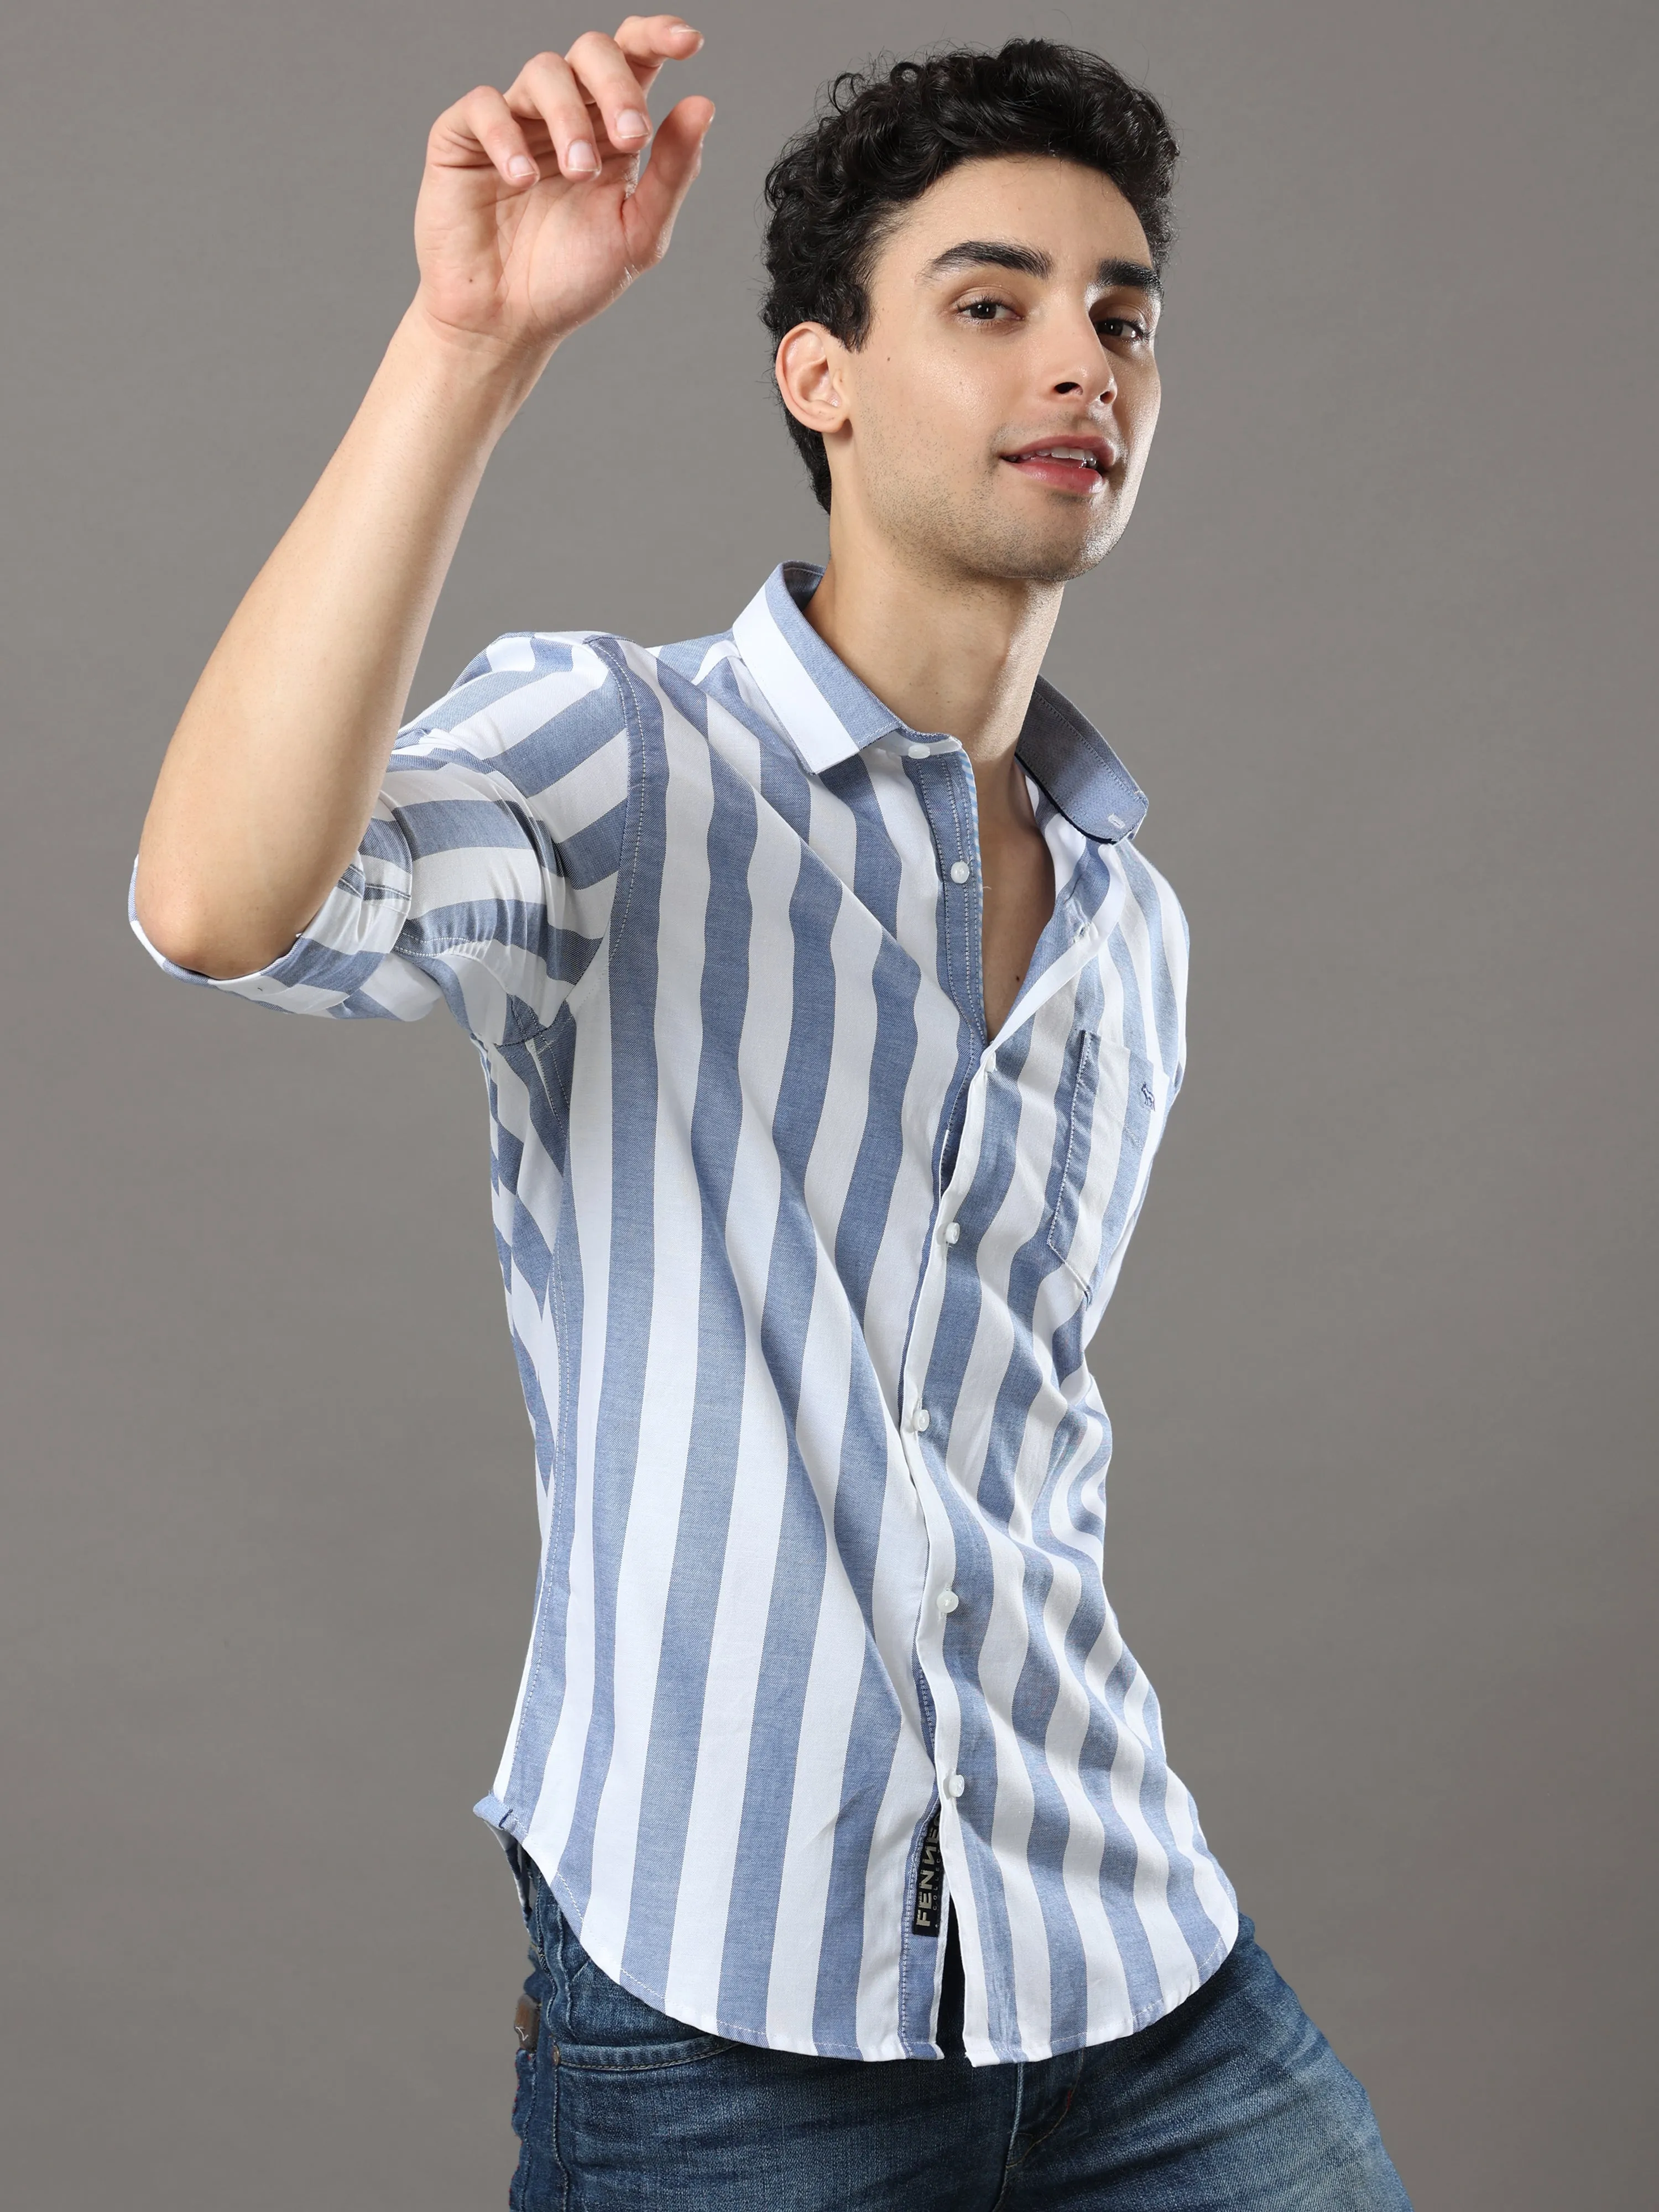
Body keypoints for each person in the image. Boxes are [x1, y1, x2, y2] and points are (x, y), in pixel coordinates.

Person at [131, 18, 1411, 2208]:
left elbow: (1003, 1436)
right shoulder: (625, 759)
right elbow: (222, 904)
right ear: (819, 375)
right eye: (990, 304)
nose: (1081, 363)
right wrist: (465, 347)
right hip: (728, 2022)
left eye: (1124, 316)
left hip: (1128, 1970)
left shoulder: (1133, 920)